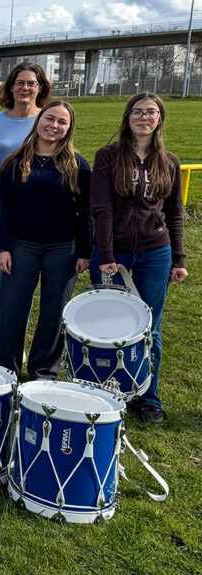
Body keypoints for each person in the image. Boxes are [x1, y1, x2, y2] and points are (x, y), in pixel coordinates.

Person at [90, 93, 188, 424]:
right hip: (113, 252)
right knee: (106, 324)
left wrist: (178, 259)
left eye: (151, 112)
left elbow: (175, 212)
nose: (144, 117)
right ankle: (105, 390)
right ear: (127, 116)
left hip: (155, 252)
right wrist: (105, 254)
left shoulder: (169, 161)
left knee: (149, 327)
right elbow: (102, 208)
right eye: (138, 111)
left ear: (160, 118)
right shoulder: (108, 156)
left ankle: (148, 397)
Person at [0, 100, 92, 380]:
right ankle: (4, 370)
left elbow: (87, 212)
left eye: (62, 122)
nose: (54, 126)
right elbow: (5, 210)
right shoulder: (15, 162)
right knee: (11, 309)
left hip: (64, 248)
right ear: (39, 121)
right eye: (50, 119)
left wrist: (85, 251)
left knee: (54, 312)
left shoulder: (78, 164)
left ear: (69, 128)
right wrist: (4, 248)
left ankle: (43, 372)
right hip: (22, 246)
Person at [0, 62, 51, 356]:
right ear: (10, 87)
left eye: (31, 83)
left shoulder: (47, 120)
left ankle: (16, 337)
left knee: (22, 279)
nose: (25, 88)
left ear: (40, 88)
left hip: (34, 210)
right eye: (20, 82)